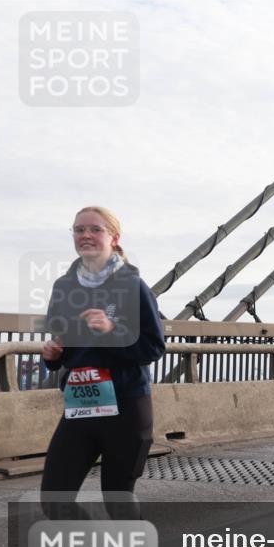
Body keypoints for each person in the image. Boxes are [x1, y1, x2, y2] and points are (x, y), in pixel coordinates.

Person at [39, 206, 166, 520]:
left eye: (95, 229)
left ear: (114, 237)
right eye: (79, 230)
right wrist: (53, 356)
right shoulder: (64, 287)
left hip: (125, 405)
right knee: (54, 499)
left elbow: (153, 346)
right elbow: (66, 345)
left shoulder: (133, 286)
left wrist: (114, 331)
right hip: (81, 405)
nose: (86, 236)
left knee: (118, 499)